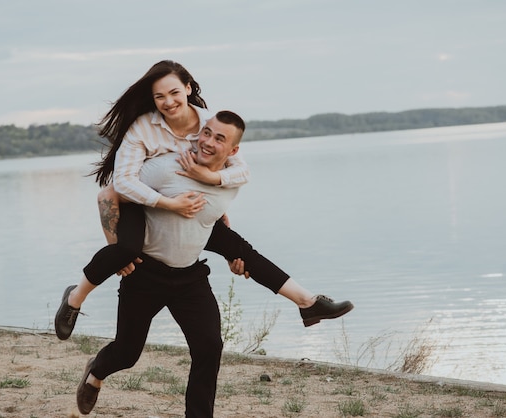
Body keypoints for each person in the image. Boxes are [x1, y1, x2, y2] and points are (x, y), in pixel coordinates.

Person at [55, 60, 353, 342]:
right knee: (126, 251)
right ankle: (75, 298)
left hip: (189, 207)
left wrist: (211, 186)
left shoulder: (206, 123)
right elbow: (122, 183)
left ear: (188, 87)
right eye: (159, 96)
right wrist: (168, 203)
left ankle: (307, 302)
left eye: (174, 92)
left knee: (239, 249)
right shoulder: (143, 127)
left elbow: (239, 168)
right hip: (141, 200)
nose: (168, 102)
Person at [76, 111, 245, 416]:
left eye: (219, 138)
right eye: (208, 133)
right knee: (126, 354)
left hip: (189, 277)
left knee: (209, 347)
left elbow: (209, 207)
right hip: (145, 275)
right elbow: (110, 194)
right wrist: (117, 250)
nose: (208, 141)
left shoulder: (222, 167)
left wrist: (227, 237)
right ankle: (95, 373)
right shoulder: (160, 164)